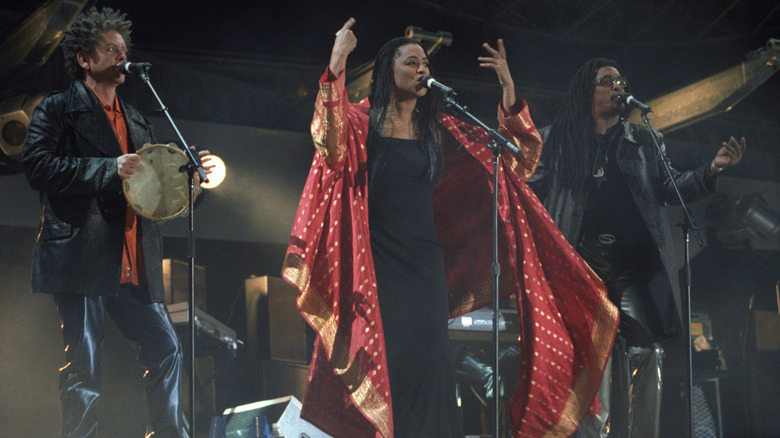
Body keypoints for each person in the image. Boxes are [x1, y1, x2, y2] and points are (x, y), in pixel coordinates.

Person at [282, 18, 618, 438]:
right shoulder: (358, 123)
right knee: (388, 364)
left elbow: (514, 165)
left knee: (432, 364)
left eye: (425, 62)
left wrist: (509, 91)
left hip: (426, 266)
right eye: (411, 62)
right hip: (378, 266)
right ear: (389, 71)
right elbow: (326, 139)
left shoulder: (441, 129)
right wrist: (337, 61)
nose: (422, 68)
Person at [527, 58, 746, 437]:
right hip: (580, 266)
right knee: (594, 360)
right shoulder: (557, 139)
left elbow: (672, 186)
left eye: (621, 81)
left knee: (646, 351)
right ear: (587, 91)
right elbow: (530, 190)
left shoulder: (645, 140)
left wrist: (712, 170)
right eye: (607, 80)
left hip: (631, 266)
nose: (617, 86)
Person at [22, 7, 210, 438]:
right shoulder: (57, 110)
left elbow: (156, 198)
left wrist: (187, 183)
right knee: (84, 364)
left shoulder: (139, 121)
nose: (122, 57)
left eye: (124, 50)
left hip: (135, 260)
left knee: (166, 348)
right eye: (111, 49)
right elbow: (37, 167)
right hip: (84, 255)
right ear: (85, 59)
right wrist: (106, 169)